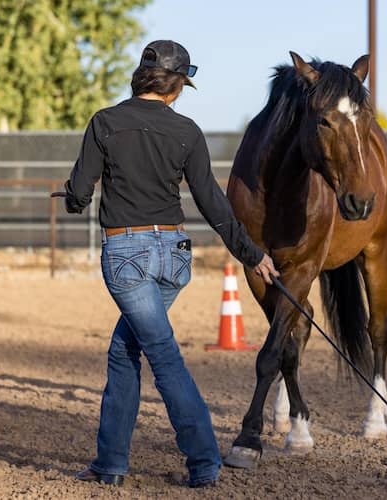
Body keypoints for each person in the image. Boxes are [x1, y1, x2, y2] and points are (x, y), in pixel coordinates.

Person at [63, 40, 279, 488]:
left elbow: (80, 194)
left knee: (163, 356)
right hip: (175, 257)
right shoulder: (187, 131)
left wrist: (72, 195)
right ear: (177, 86)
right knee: (125, 351)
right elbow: (213, 203)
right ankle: (109, 464)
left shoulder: (105, 122)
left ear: (142, 76)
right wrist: (251, 253)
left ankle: (204, 461)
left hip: (128, 256)